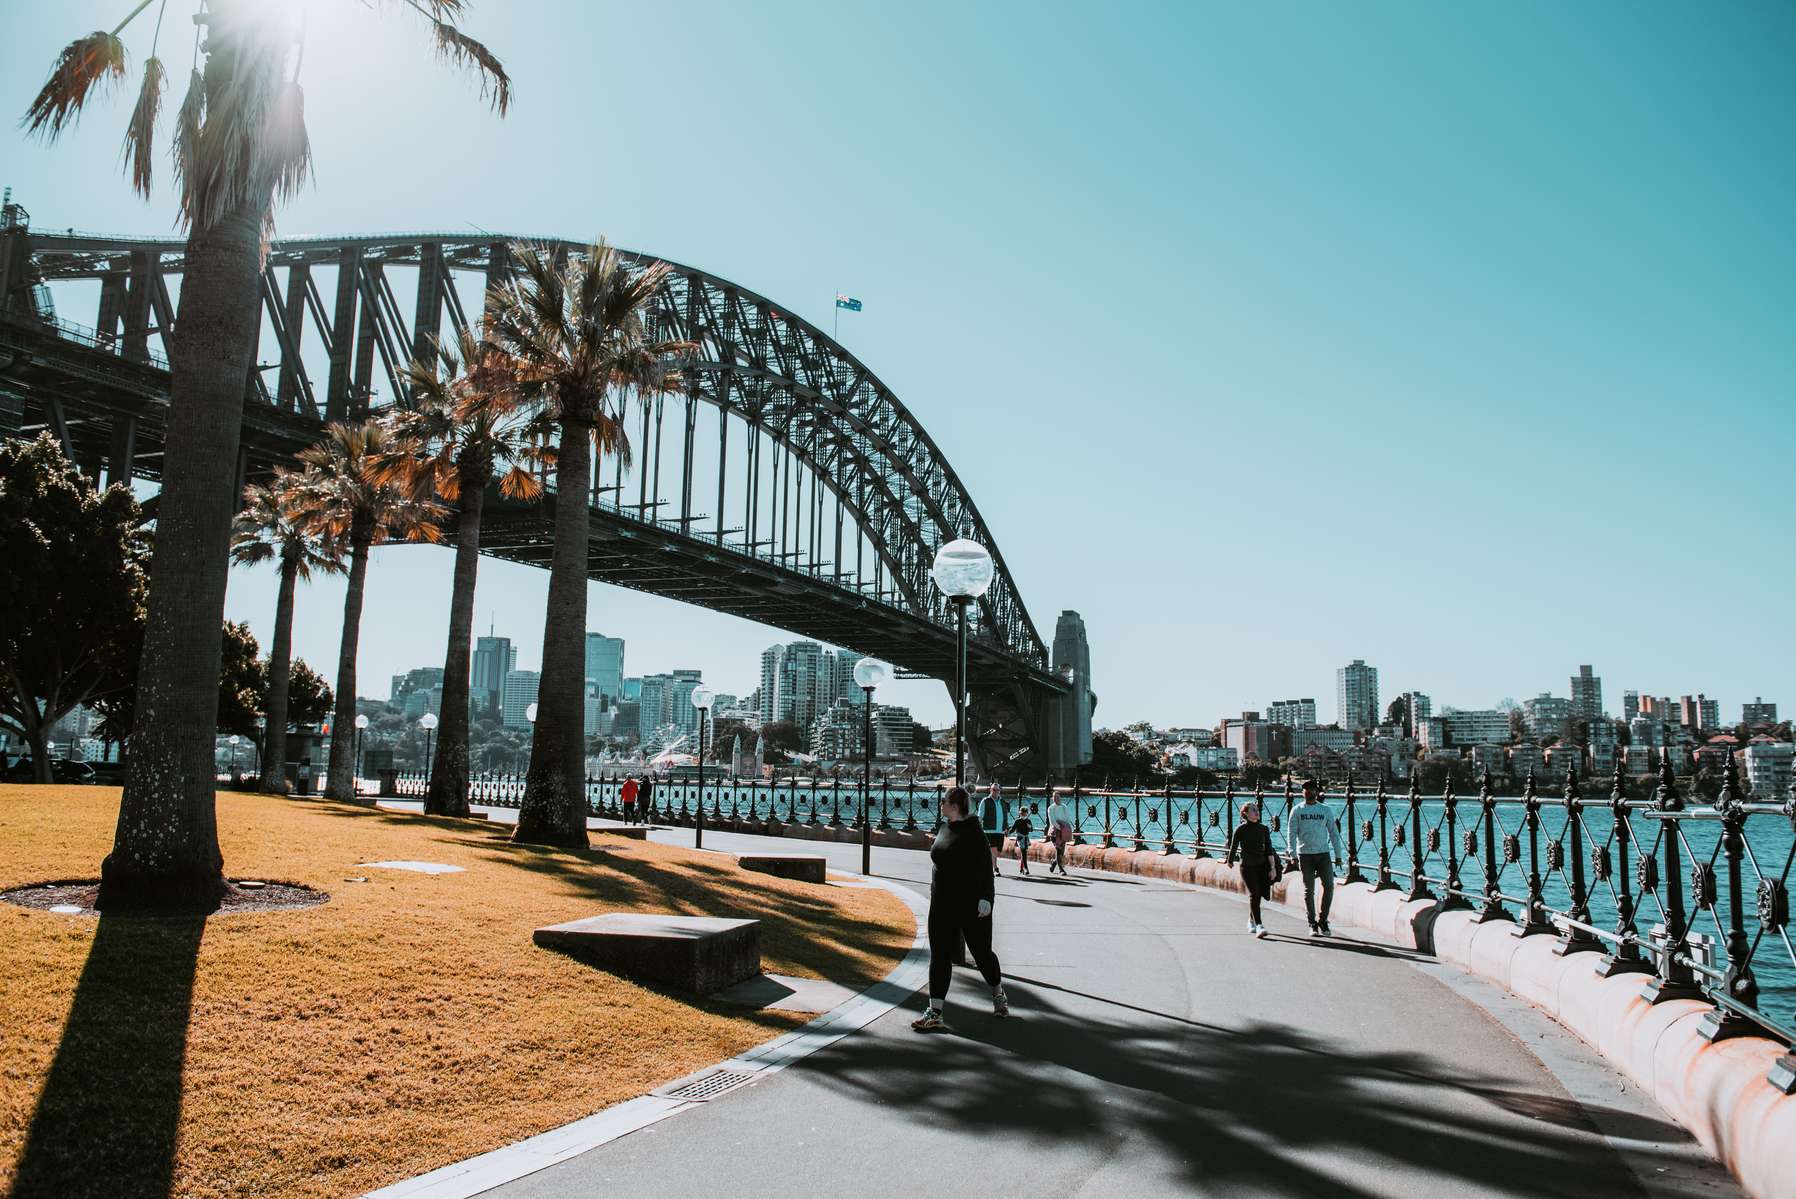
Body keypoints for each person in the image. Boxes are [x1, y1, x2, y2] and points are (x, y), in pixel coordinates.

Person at [913, 786, 1009, 1031]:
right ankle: (935, 1012)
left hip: (970, 904)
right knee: (939, 955)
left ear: (955, 807)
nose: (940, 805)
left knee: (981, 953)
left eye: (944, 801)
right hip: (942, 903)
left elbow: (985, 869)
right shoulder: (944, 827)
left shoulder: (975, 832)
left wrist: (986, 899)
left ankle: (998, 994)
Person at [1285, 777, 1342, 936]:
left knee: (1329, 886)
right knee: (1308, 890)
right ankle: (1312, 923)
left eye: (1311, 789)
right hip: (1305, 855)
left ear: (1317, 792)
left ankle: (1323, 920)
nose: (1308, 791)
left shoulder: (1325, 810)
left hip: (1323, 853)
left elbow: (1334, 833)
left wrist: (1338, 855)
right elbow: (1291, 833)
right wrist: (1292, 853)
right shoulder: (1297, 810)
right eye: (1305, 789)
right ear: (1302, 792)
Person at [1226, 801, 1277, 937]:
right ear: (1245, 813)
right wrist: (1230, 861)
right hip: (1247, 867)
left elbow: (1269, 849)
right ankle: (1259, 925)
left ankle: (1251, 919)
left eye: (1257, 809)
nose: (1256, 811)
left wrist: (1273, 868)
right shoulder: (1240, 829)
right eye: (1253, 809)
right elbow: (1233, 846)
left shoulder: (1264, 829)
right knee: (1254, 893)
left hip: (1262, 866)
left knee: (1259, 894)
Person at [978, 782, 1005, 875]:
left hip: (1000, 830)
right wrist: (977, 828)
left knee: (997, 852)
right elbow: (980, 816)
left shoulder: (1002, 802)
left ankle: (986, 865)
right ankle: (995, 868)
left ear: (1000, 791)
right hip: (989, 830)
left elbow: (1005, 815)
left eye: (997, 790)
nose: (996, 791)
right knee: (993, 850)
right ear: (990, 790)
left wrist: (1006, 827)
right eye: (994, 789)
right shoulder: (985, 801)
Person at [1045, 792, 1073, 875]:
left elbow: (1067, 818)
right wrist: (1059, 828)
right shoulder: (1050, 808)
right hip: (1054, 831)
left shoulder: (1064, 807)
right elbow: (1052, 821)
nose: (1056, 799)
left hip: (1064, 830)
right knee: (1058, 849)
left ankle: (1054, 862)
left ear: (1060, 797)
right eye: (1054, 797)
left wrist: (1065, 828)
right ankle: (1061, 869)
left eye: (1057, 797)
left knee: (1062, 851)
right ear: (1052, 798)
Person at [1010, 808, 1034, 875]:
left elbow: (1031, 830)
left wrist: (1030, 827)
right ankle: (1026, 868)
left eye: (1024, 813)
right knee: (1023, 852)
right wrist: (1007, 832)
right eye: (1021, 813)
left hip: (1026, 838)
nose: (1022, 814)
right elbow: (1013, 829)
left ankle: (1021, 869)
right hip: (1020, 838)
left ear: (1026, 813)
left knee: (1024, 852)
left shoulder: (1028, 820)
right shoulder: (1017, 821)